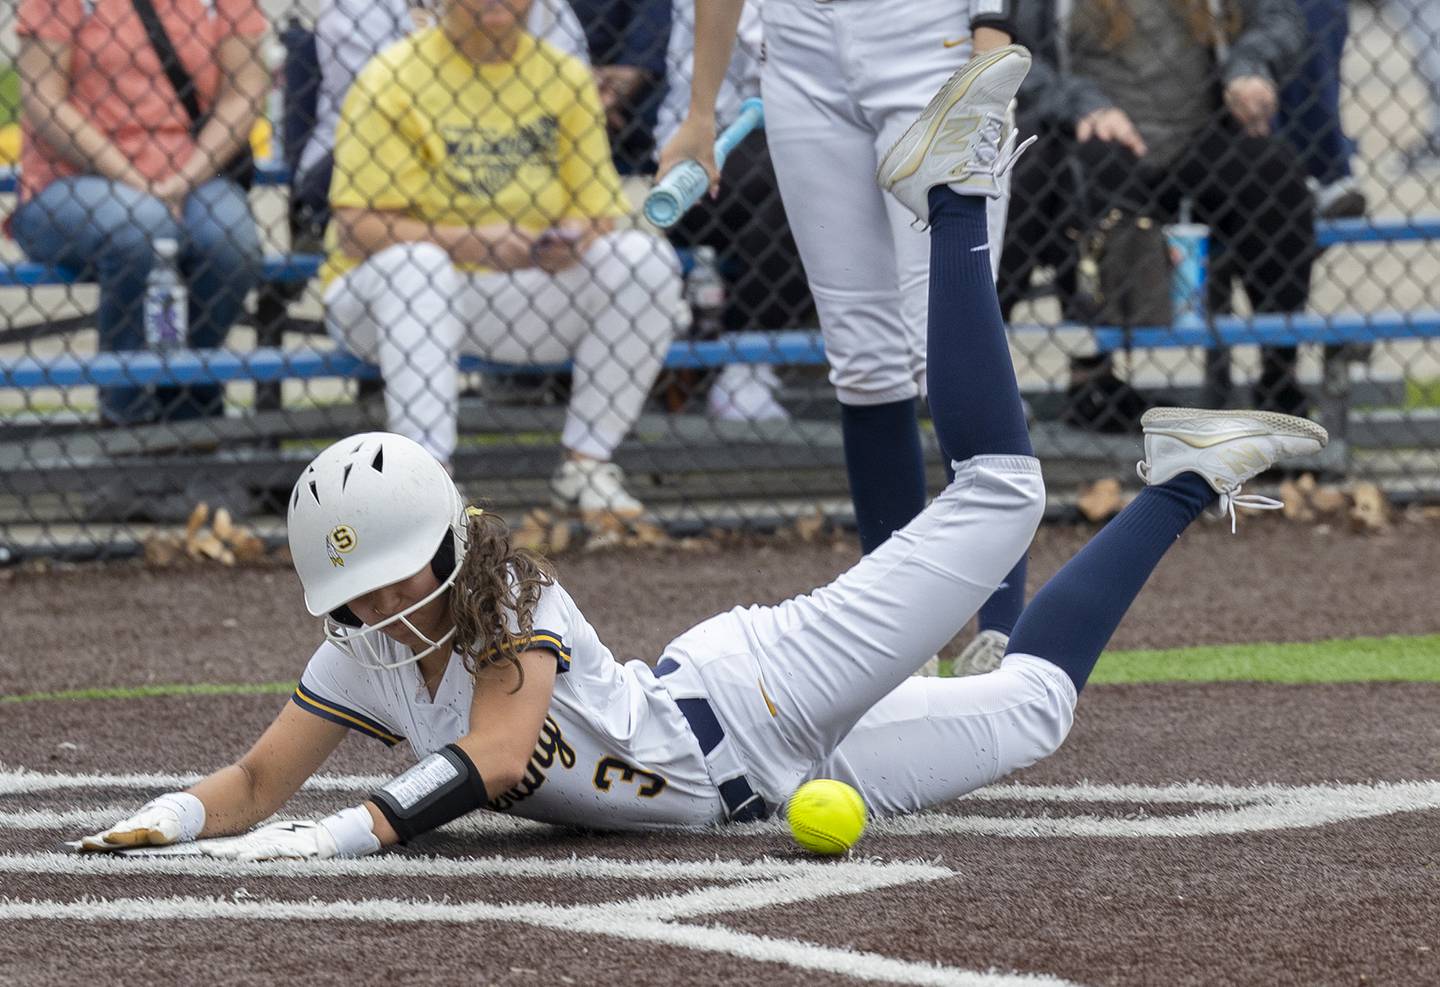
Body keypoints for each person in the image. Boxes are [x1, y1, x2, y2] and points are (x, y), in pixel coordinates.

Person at [75, 49, 1327, 858]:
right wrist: (166, 820)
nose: (385, 603)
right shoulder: (359, 651)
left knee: (1003, 490)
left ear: (450, 548)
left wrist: (333, 837)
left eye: (400, 571)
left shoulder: (509, 595)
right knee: (1038, 711)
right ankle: (1182, 476)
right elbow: (255, 780)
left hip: (761, 694)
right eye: (361, 590)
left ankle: (953, 193)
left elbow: (496, 758)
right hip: (762, 786)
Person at [658, 0, 1029, 676]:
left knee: (949, 336)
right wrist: (700, 110)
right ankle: (896, 638)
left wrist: (990, 44)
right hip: (799, 48)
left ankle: (1003, 633)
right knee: (863, 359)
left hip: (929, 39)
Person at [320, 0, 688, 518]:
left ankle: (587, 465)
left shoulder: (561, 75)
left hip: (519, 289)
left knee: (644, 259)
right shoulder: (393, 75)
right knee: (418, 267)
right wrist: (473, 242)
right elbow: (356, 229)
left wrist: (571, 240)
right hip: (384, 301)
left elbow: (597, 211)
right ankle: (428, 487)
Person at [1008, 0, 1317, 420]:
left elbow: (1282, 16)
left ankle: (1280, 374)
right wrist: (1080, 104)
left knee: (1271, 170)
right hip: (1100, 137)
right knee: (1081, 167)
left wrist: (1250, 67)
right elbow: (1008, 52)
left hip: (1198, 141)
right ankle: (1093, 376)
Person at [12, 0, 267, 426]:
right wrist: (136, 181)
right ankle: (125, 411)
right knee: (143, 226)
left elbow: (246, 90)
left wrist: (182, 179)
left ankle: (188, 401)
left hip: (194, 172)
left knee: (230, 242)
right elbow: (43, 99)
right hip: (72, 179)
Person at [292, 0, 590, 244]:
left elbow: (567, 85)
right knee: (422, 263)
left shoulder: (545, 6)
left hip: (518, 150)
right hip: (379, 158)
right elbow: (380, 100)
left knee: (613, 252)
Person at [654, 0, 813, 423]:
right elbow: (795, 57)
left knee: (814, 167)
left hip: (790, 147)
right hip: (699, 159)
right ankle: (746, 362)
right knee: (803, 170)